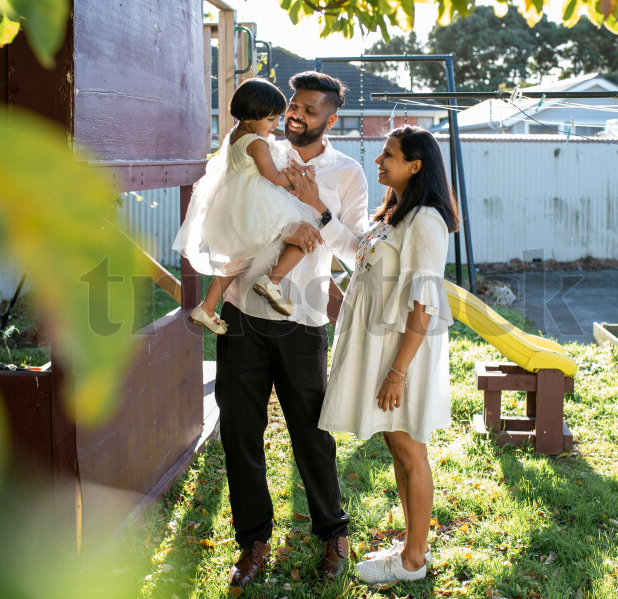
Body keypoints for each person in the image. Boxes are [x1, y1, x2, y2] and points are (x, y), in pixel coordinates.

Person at [213, 72, 369, 588]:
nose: (296, 115)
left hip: (300, 318)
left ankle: (332, 532)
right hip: (240, 310)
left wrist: (315, 203)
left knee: (311, 432)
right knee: (239, 430)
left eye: (308, 109)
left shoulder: (348, 174)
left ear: (331, 118)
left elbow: (354, 253)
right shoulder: (262, 148)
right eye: (293, 106)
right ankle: (252, 542)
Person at [318, 126, 458, 585]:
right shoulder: (394, 214)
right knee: (397, 447)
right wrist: (318, 212)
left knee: (409, 450)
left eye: (389, 155)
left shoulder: (426, 222)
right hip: (381, 351)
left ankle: (413, 560)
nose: (379, 161)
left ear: (415, 165)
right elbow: (357, 257)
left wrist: (398, 372)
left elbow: (424, 304)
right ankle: (409, 547)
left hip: (401, 354)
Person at [172, 78, 320, 334]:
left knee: (236, 259)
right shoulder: (256, 143)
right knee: (308, 231)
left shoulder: (235, 135)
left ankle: (206, 308)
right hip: (257, 204)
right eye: (271, 119)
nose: (276, 125)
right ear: (252, 116)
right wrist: (299, 177)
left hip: (235, 206)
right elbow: (273, 178)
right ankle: (272, 281)